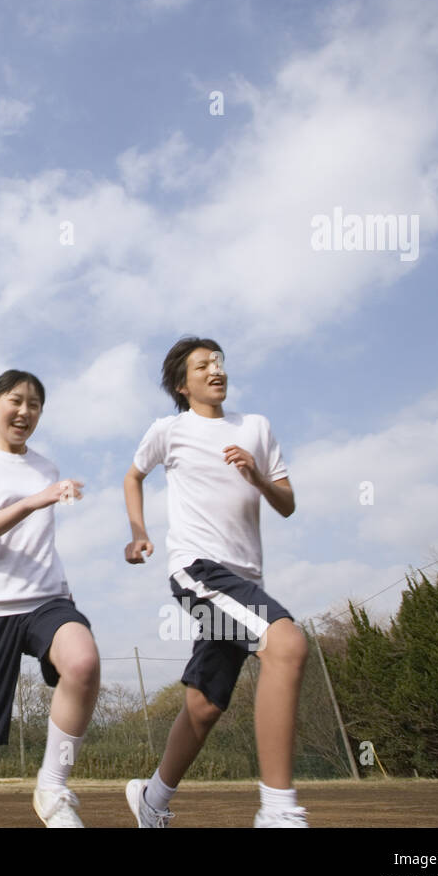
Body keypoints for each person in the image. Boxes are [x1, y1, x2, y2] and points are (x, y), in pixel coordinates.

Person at [123, 337, 308, 828]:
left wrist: (258, 478)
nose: (215, 370)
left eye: (219, 362)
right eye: (202, 366)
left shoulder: (256, 428)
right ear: (183, 385)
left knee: (204, 705)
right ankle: (278, 812)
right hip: (199, 572)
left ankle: (153, 800)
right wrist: (139, 532)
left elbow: (287, 503)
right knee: (286, 644)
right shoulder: (169, 430)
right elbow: (133, 476)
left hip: (244, 580)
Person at [0, 370, 101, 828]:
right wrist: (35, 500)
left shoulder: (46, 468)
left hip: (46, 599)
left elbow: (41, 539)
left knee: (83, 662)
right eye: (16, 400)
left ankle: (53, 787)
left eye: (35, 404)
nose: (25, 411)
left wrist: (48, 494)